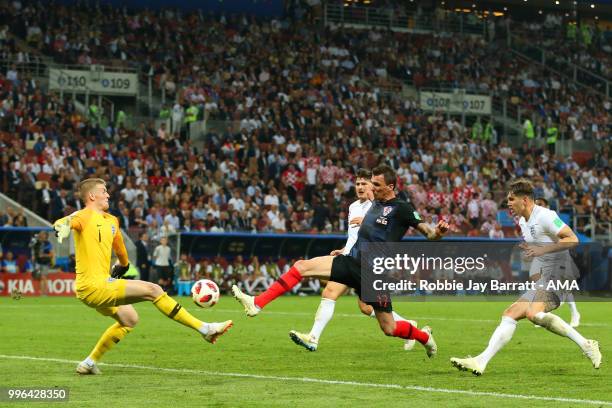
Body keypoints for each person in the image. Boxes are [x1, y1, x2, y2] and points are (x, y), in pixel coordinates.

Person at [232, 165, 449, 357]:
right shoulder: (368, 204)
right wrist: (346, 248)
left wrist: (438, 232)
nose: (370, 187)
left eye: (376, 184)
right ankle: (257, 303)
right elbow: (370, 226)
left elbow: (428, 233)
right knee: (301, 266)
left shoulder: (402, 208)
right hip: (351, 261)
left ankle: (424, 337)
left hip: (374, 274)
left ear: (390, 186)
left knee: (389, 328)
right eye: (369, 183)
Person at [53, 178, 232, 375]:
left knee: (129, 319)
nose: (108, 195)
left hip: (98, 286)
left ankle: (88, 363)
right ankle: (205, 329)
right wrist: (62, 225)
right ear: (92, 196)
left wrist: (122, 266)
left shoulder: (112, 221)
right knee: (153, 290)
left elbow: (122, 254)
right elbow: (67, 221)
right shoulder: (83, 216)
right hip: (93, 286)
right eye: (104, 191)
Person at [450, 179, 601, 376]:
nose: (508, 204)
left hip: (561, 272)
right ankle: (481, 361)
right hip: (546, 275)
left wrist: (541, 250)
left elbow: (572, 239)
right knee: (510, 314)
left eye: (512, 199)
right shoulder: (522, 221)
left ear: (526, 200)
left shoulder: (546, 215)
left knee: (533, 314)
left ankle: (587, 344)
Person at [289, 169, 418, 352]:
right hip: (351, 257)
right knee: (363, 306)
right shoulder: (353, 207)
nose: (360, 187)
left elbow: (384, 227)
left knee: (332, 292)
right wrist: (344, 250)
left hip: (369, 263)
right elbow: (354, 237)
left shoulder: (378, 205)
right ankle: (407, 325)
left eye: (364, 183)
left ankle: (313, 337)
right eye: (357, 184)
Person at [534, 197, 580, 328]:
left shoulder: (552, 217)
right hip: (546, 256)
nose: (538, 207)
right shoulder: (536, 221)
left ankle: (575, 313)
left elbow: (565, 236)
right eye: (537, 205)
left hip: (560, 254)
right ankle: (541, 314)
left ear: (547, 205)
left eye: (541, 204)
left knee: (564, 285)